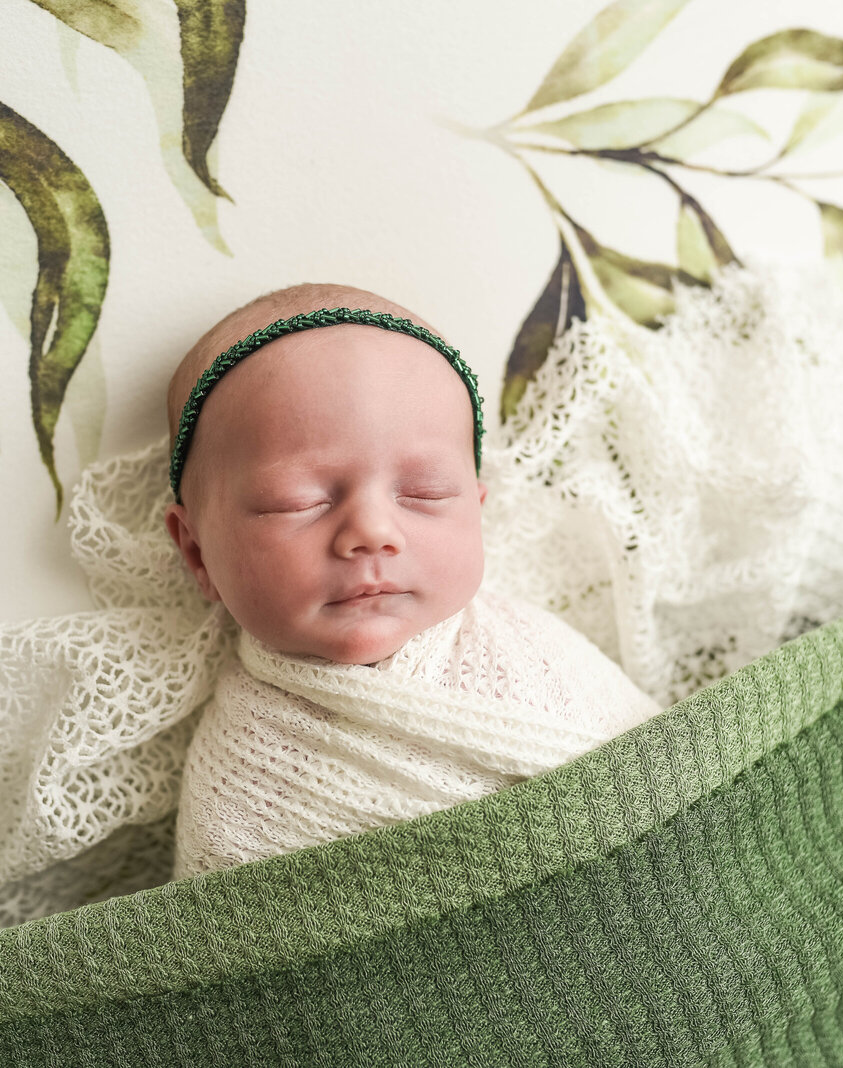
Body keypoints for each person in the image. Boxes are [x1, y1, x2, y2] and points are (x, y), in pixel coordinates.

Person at [160, 283, 663, 878]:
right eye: (296, 502)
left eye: (424, 494)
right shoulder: (240, 777)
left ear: (476, 509)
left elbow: (673, 790)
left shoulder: (542, 655)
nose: (372, 532)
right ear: (196, 553)